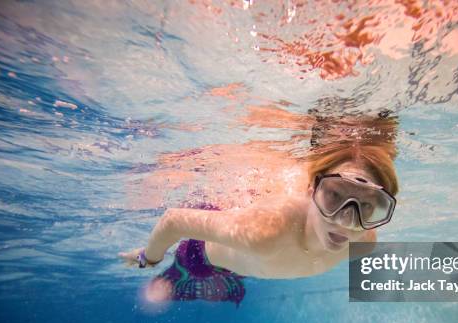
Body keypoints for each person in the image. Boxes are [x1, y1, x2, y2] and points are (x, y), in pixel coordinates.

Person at [118, 111, 400, 307]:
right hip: (200, 254)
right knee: (195, 269)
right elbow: (174, 220)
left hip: (246, 263)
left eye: (365, 207)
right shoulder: (264, 232)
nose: (346, 221)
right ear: (311, 189)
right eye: (335, 197)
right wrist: (148, 258)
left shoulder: (364, 241)